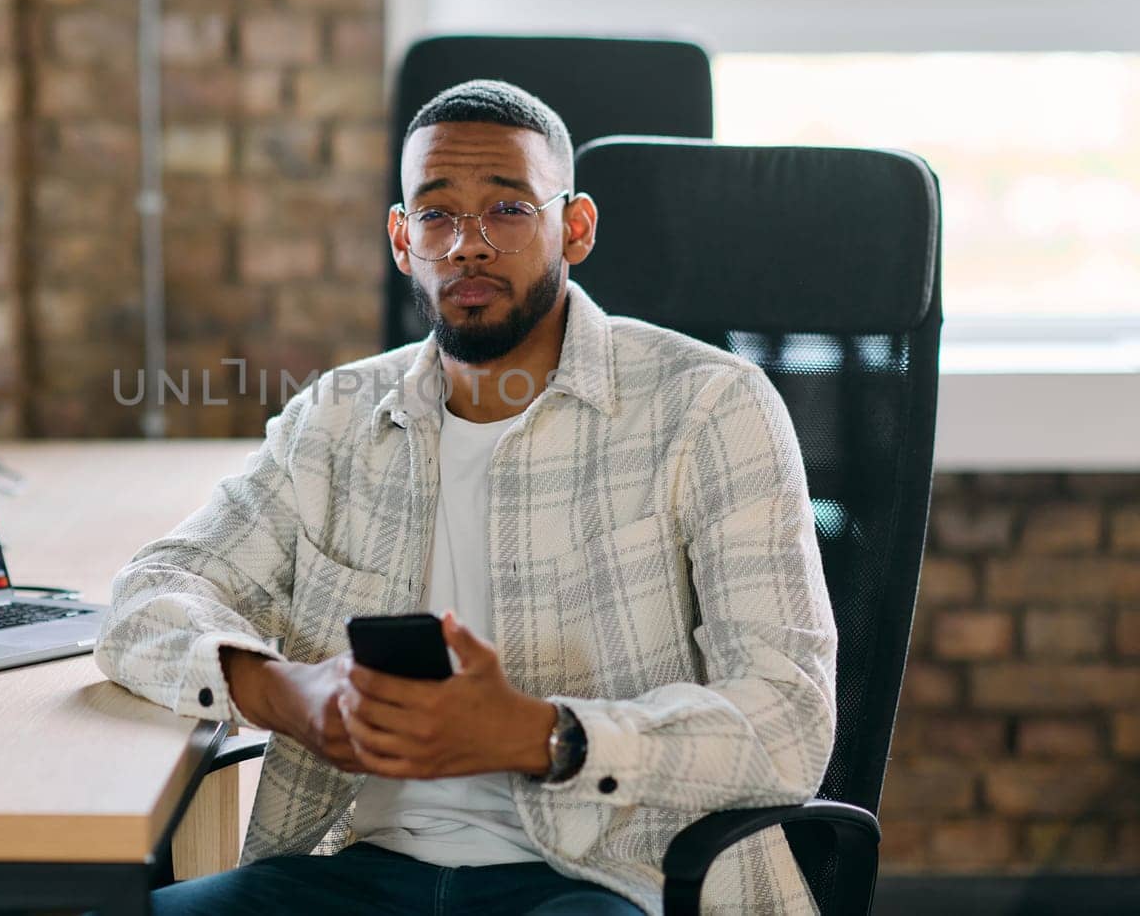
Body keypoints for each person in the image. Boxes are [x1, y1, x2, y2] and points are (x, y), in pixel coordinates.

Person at [95, 80, 836, 914]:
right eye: (438, 215)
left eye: (510, 210)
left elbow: (789, 720)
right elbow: (145, 598)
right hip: (357, 868)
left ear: (576, 227)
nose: (468, 246)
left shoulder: (709, 406)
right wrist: (285, 695)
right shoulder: (337, 418)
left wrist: (537, 733)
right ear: (402, 240)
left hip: (608, 877)